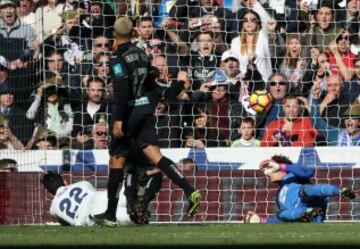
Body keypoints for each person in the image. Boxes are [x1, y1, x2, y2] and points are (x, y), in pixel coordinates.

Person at [93, 17, 200, 227]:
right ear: (134, 32)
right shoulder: (142, 54)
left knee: (117, 161)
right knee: (157, 157)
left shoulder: (117, 58)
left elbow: (123, 88)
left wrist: (119, 120)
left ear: (114, 35)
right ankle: (189, 190)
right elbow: (158, 88)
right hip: (145, 111)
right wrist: (179, 83)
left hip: (129, 113)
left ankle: (110, 215)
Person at [244, 154, 356, 224]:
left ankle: (340, 191)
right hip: (304, 216)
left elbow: (309, 171)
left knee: (306, 190)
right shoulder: (279, 196)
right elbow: (284, 220)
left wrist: (280, 166)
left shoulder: (294, 175)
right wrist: (261, 220)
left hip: (310, 199)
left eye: (269, 168)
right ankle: (307, 213)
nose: (267, 173)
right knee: (281, 213)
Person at [41, 172, 131, 226]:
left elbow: (65, 223)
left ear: (49, 193)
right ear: (65, 181)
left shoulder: (53, 209)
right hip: (105, 197)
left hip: (93, 215)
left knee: (133, 219)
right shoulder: (83, 183)